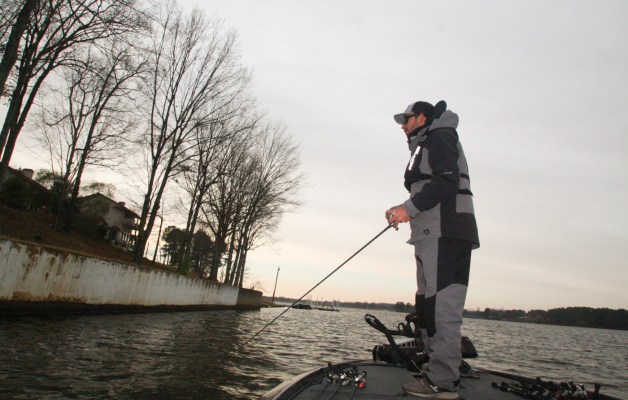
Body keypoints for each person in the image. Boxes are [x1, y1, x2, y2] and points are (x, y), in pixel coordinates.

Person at [385, 100, 479, 399]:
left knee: (441, 308)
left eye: (407, 119)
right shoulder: (426, 142)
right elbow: (428, 187)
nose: (403, 124)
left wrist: (408, 209)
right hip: (429, 235)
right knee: (427, 306)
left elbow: (447, 182)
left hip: (446, 234)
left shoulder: (440, 136)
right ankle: (437, 368)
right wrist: (404, 209)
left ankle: (443, 382)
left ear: (423, 117)